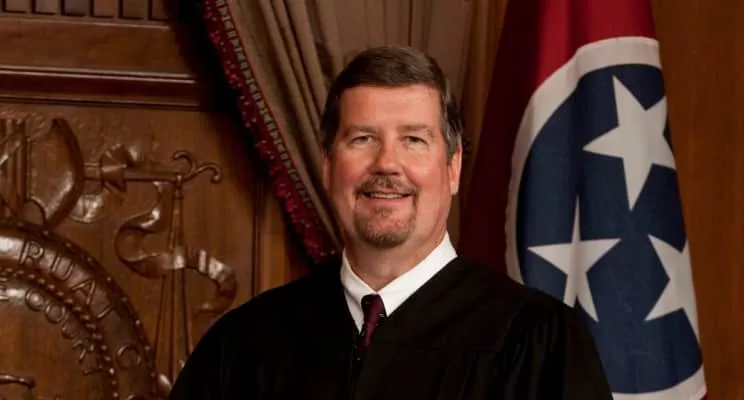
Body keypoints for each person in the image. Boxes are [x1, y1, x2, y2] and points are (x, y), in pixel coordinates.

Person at [168, 45, 613, 399]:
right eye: (362, 138)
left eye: (413, 140)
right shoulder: (245, 344)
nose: (387, 163)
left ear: (453, 167)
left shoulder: (537, 342)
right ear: (328, 165)